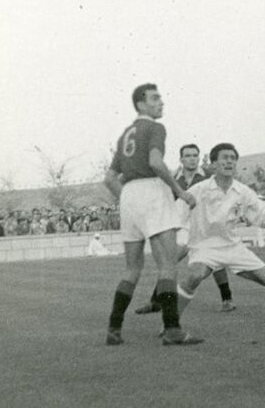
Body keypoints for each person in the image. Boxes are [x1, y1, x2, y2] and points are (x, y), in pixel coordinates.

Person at [102, 83, 202, 346]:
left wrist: (127, 199)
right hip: (151, 192)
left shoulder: (126, 134)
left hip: (129, 196)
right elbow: (156, 163)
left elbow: (110, 178)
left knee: (132, 268)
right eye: (155, 98)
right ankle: (172, 329)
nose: (161, 102)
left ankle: (114, 328)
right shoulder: (155, 128)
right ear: (141, 104)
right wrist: (180, 192)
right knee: (167, 264)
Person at [175, 143, 265, 327]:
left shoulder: (242, 191)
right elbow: (177, 213)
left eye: (232, 158)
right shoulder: (198, 190)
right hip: (204, 247)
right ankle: (170, 324)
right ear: (213, 164)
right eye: (224, 158)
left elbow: (260, 212)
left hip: (233, 247)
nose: (229, 162)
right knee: (194, 277)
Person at [134, 144, 236, 314]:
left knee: (216, 262)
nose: (192, 158)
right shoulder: (173, 179)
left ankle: (227, 300)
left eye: (195, 155)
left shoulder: (210, 177)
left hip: (206, 226)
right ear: (181, 159)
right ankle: (156, 302)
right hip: (183, 227)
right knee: (170, 261)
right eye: (188, 155)